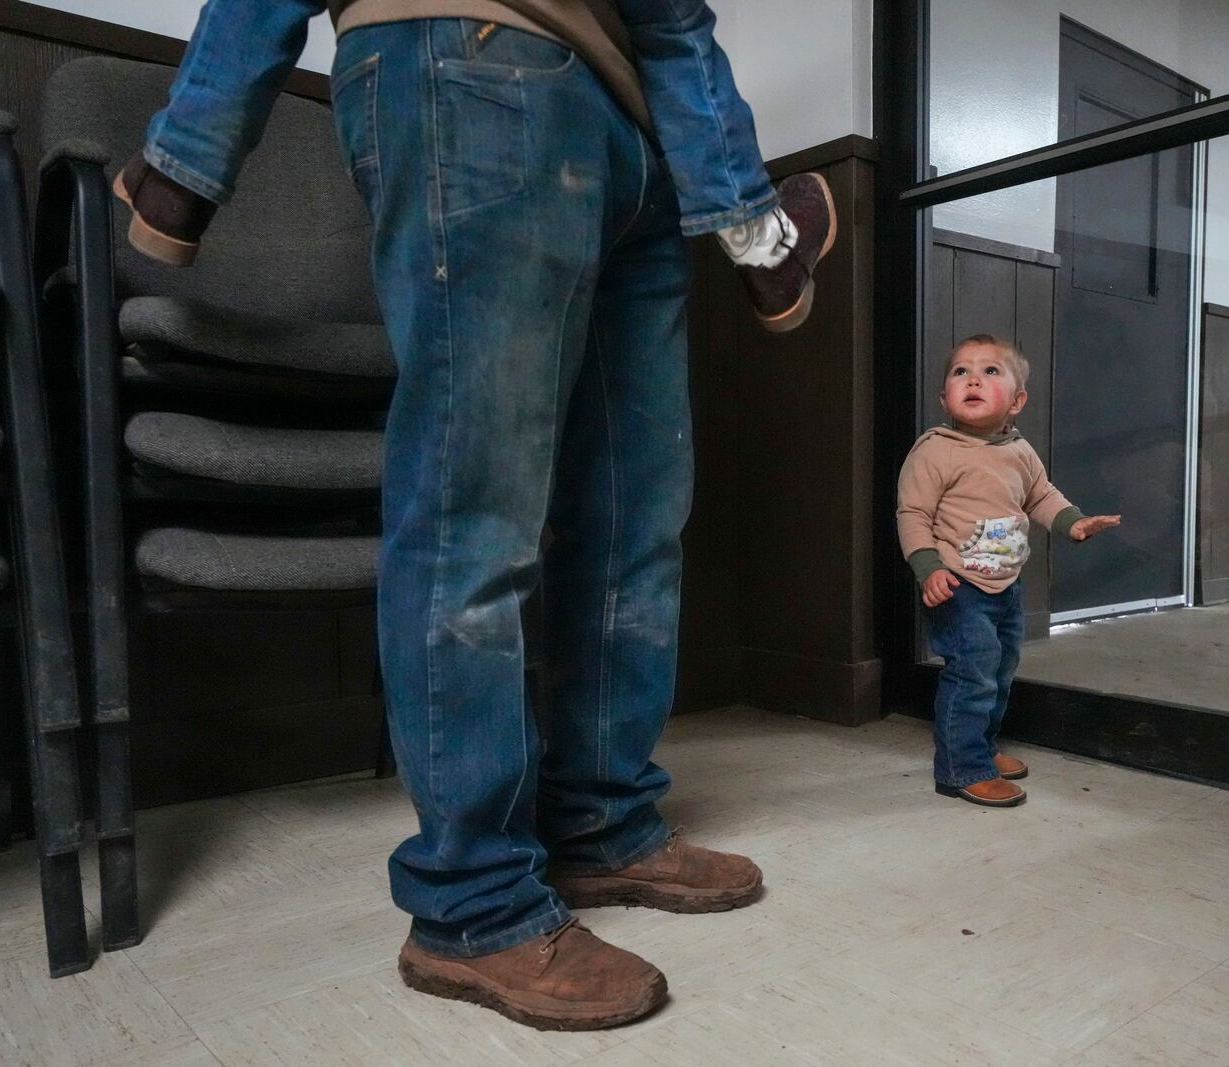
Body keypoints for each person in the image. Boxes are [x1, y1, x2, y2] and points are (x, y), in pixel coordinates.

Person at [111, 0, 839, 1034]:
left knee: (639, 517)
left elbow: (672, 18)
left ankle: (601, 820)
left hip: (637, 135)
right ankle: (472, 903)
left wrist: (745, 219)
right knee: (474, 512)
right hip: (475, 57)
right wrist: (191, 152)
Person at [114, 0, 837, 331]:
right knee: (676, 25)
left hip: (589, 125)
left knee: (587, 528)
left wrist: (189, 148)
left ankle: (180, 177)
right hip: (542, 78)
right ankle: (759, 241)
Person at [896, 335, 1121, 808]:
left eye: (990, 371)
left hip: (1005, 585)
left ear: (1017, 401)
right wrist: (928, 568)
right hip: (958, 585)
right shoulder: (936, 450)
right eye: (961, 372)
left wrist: (1073, 522)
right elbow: (912, 514)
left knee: (999, 670)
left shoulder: (1019, 450)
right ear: (944, 398)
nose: (973, 379)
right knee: (972, 672)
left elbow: (1042, 495)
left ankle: (981, 746)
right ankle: (961, 768)